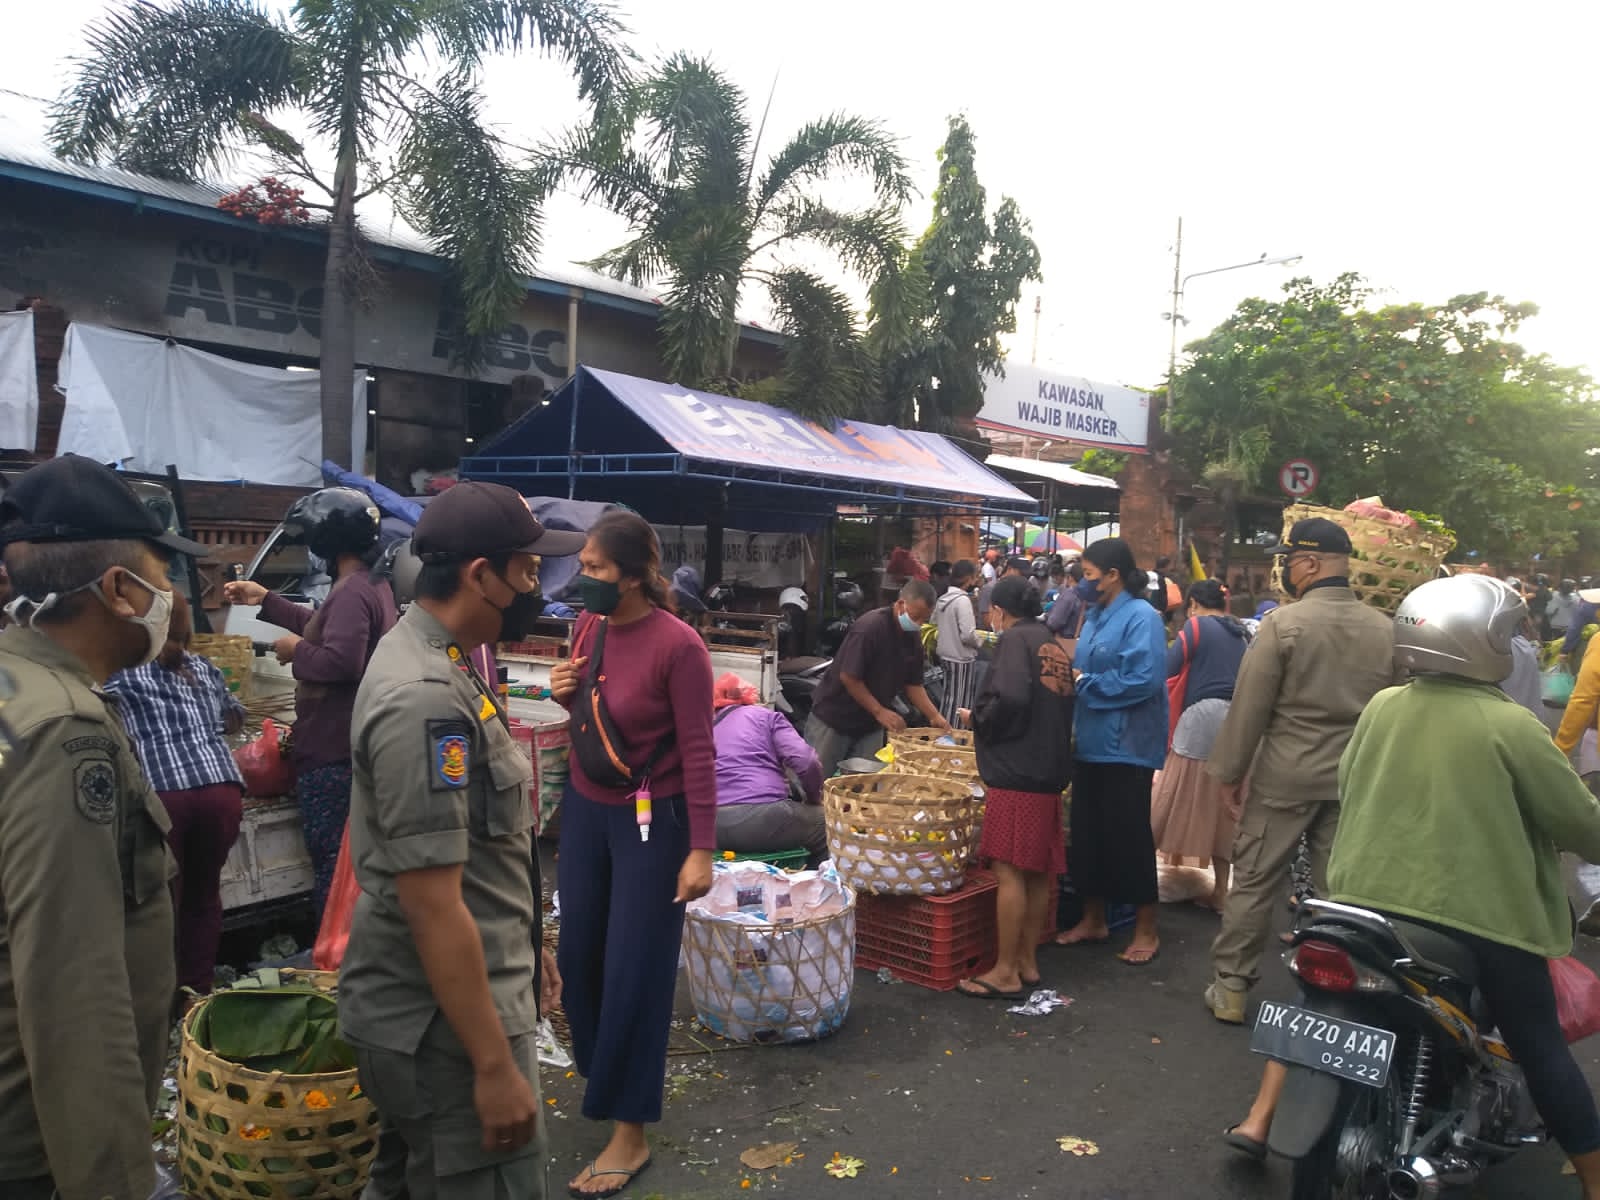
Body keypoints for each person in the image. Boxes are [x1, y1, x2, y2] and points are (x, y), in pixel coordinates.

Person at [1224, 576, 1600, 1198]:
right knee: (1539, 1044)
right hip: (1480, 921)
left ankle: (1262, 1120)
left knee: (1317, 1011)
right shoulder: (1512, 726)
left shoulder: (1383, 707)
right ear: (1485, 642)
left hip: (1358, 909)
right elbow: (1581, 826)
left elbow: (1351, 781)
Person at [340, 481, 576, 1198]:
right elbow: (432, 903)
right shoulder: (426, 698)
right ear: (480, 575)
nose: (538, 587)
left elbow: (476, 855)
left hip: (446, 1009)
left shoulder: (445, 658)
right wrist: (493, 1066)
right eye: (528, 570)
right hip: (443, 1032)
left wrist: (527, 949)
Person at [0, 454, 205, 1200]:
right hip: (38, 1147)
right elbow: (73, 985)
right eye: (163, 572)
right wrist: (115, 1184)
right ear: (120, 590)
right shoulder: (64, 729)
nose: (173, 593)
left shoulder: (18, 690)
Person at [549, 511, 717, 1197]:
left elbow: (700, 751)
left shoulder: (680, 647)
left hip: (657, 821)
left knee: (634, 970)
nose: (582, 576)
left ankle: (630, 1129)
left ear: (631, 575)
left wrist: (702, 849)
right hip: (588, 809)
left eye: (593, 567)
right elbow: (593, 722)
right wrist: (562, 693)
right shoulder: (587, 628)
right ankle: (607, 1076)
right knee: (577, 956)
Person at [1203, 518, 1397, 1024]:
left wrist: (1229, 773)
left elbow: (1250, 706)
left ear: (1310, 564)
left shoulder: (1283, 624)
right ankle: (1339, 992)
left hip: (1284, 777)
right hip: (1353, 778)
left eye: (1288, 561)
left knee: (1255, 880)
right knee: (1340, 890)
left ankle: (1231, 988)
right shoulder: (1385, 630)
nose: (1285, 571)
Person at [223, 488, 398, 916]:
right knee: (348, 870)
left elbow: (341, 660)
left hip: (333, 755)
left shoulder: (352, 591)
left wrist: (295, 651)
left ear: (326, 540)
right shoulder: (368, 584)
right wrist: (266, 600)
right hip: (351, 748)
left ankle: (333, 951)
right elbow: (326, 628)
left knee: (333, 872)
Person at [104, 591, 244, 998]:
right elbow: (234, 717)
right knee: (204, 895)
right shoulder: (203, 666)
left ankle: (159, 998)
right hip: (221, 789)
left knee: (162, 903)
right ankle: (194, 995)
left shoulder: (120, 673)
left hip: (166, 797)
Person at [955, 576, 1075, 998]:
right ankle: (1026, 960)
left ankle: (1005, 970)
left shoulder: (1013, 641)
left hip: (1017, 772)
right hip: (1049, 770)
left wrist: (978, 719)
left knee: (1007, 870)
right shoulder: (1051, 644)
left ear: (1000, 611)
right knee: (1036, 871)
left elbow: (1009, 698)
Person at [1053, 538, 1168, 965]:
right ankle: (1093, 918)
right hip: (1090, 740)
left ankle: (1146, 928)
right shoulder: (1096, 614)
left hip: (1128, 745)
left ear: (1113, 574)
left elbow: (1145, 679)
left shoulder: (1142, 617)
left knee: (1129, 836)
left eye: (1088, 575)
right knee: (1087, 835)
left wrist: (1086, 684)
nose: (1082, 583)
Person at [1150, 580, 1251, 913]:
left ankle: (1137, 878)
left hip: (1201, 717)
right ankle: (1221, 891)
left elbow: (1168, 666)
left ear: (1193, 603)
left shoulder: (1196, 627)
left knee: (1171, 792)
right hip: (1236, 720)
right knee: (1223, 804)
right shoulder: (1240, 632)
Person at [804, 579, 950, 777]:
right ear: (901, 604)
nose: (918, 624)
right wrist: (880, 711)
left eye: (924, 619)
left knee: (866, 783)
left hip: (870, 723)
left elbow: (913, 684)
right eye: (916, 617)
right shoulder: (870, 627)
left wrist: (934, 716)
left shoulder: (912, 637)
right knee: (817, 779)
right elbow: (849, 677)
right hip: (835, 716)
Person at [712, 673, 827, 867]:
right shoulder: (764, 717)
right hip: (761, 818)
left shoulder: (705, 726)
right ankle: (818, 881)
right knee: (826, 824)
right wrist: (814, 798)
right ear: (749, 698)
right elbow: (806, 761)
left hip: (709, 827)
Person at [934, 560, 982, 725]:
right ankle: (954, 735)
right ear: (968, 578)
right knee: (960, 703)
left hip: (945, 656)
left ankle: (943, 732)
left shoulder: (943, 599)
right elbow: (968, 635)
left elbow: (933, 623)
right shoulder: (962, 600)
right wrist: (981, 641)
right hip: (961, 659)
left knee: (948, 699)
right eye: (975, 577)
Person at [977, 555, 1028, 631]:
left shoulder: (1020, 589)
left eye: (1027, 575)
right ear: (1010, 569)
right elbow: (986, 619)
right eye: (1022, 574)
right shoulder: (990, 588)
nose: (1025, 577)